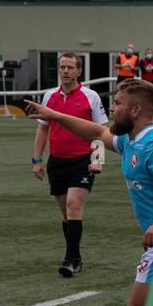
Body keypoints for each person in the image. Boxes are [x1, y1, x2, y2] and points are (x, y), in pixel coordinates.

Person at [26, 79, 153, 306]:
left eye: (118, 103)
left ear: (135, 110)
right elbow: (97, 133)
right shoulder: (132, 139)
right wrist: (54, 116)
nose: (112, 108)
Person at [31, 52, 107, 276]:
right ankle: (73, 254)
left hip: (82, 160)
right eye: (62, 67)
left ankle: (72, 260)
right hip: (57, 162)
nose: (65, 72)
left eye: (70, 68)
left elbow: (101, 130)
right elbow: (43, 128)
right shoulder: (48, 97)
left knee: (74, 205)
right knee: (66, 213)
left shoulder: (90, 96)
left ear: (79, 71)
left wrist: (97, 160)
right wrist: (37, 160)